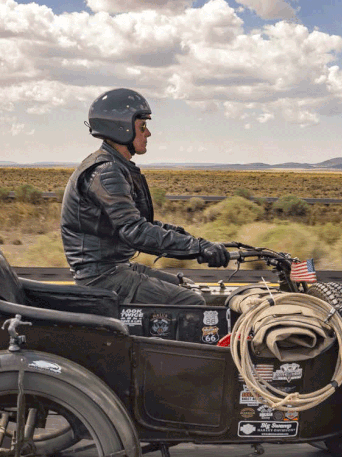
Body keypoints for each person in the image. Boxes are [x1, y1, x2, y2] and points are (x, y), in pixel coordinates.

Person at [60, 87, 230, 306]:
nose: (148, 133)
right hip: (102, 278)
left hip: (114, 268)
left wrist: (198, 243)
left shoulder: (113, 166)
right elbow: (135, 231)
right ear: (121, 129)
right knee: (191, 303)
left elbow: (141, 224)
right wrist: (197, 248)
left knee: (187, 286)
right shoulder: (106, 171)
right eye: (142, 127)